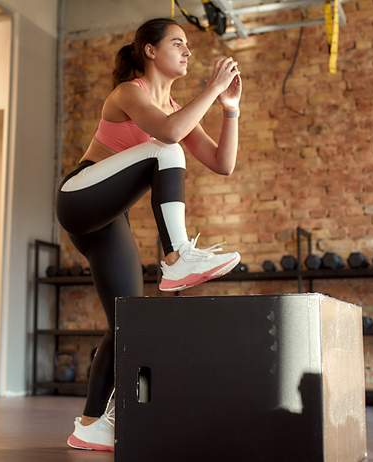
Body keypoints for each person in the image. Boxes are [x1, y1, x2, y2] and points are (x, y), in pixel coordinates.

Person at [58, 17, 242, 452]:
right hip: (79, 196)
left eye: (188, 45)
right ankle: (177, 256)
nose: (187, 51)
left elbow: (222, 163)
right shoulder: (129, 93)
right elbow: (169, 135)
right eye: (177, 43)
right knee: (167, 146)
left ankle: (89, 424)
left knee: (127, 322)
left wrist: (230, 109)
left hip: (107, 220)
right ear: (150, 51)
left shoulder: (172, 109)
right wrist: (212, 89)